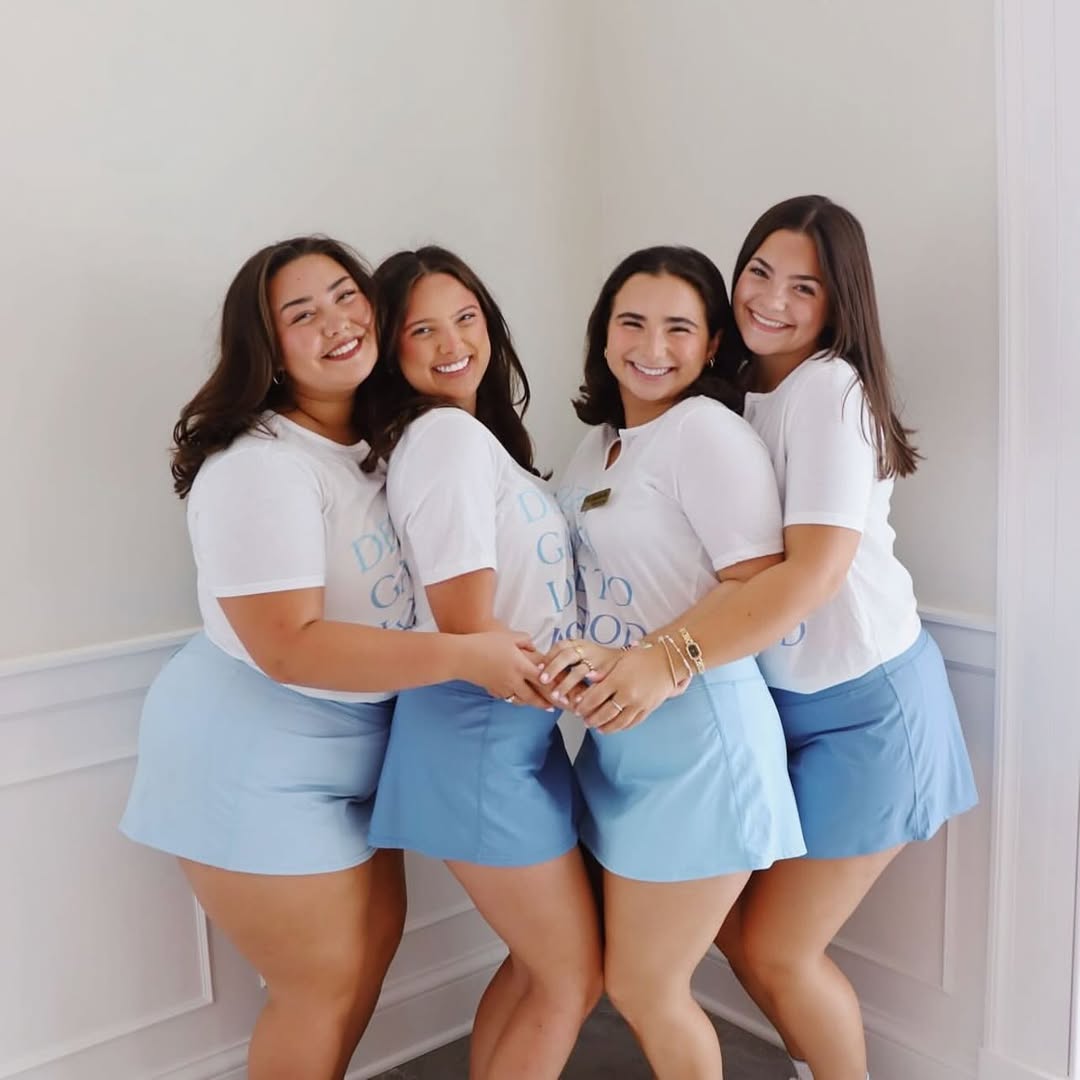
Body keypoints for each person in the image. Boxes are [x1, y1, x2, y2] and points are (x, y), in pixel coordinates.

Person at [551, 198, 978, 1080]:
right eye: (758, 273)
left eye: (804, 286)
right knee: (746, 942)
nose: (772, 299)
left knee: (778, 951)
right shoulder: (735, 397)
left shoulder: (828, 387)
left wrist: (664, 660)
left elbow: (810, 573)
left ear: (839, 301)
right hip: (781, 701)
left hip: (866, 706)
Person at [120, 236, 541, 1080]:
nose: (337, 322)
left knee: (359, 974)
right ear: (268, 350)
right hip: (251, 754)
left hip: (358, 748)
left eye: (348, 297)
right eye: (302, 314)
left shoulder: (377, 447)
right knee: (319, 989)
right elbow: (287, 645)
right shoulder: (260, 466)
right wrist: (467, 656)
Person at [543, 246, 805, 1079]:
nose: (652, 347)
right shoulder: (597, 446)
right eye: (632, 323)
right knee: (624, 977)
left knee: (647, 986)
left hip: (702, 743)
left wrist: (654, 659)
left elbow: (757, 584)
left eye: (678, 329)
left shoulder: (706, 434)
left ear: (712, 343)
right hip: (620, 743)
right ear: (604, 334)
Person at [365, 246, 602, 1080]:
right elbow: (468, 629)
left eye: (465, 318)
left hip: (500, 730)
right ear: (390, 351)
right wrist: (593, 685)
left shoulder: (470, 439)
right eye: (421, 330)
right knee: (570, 977)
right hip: (477, 729)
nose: (452, 342)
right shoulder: (446, 439)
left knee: (544, 970)